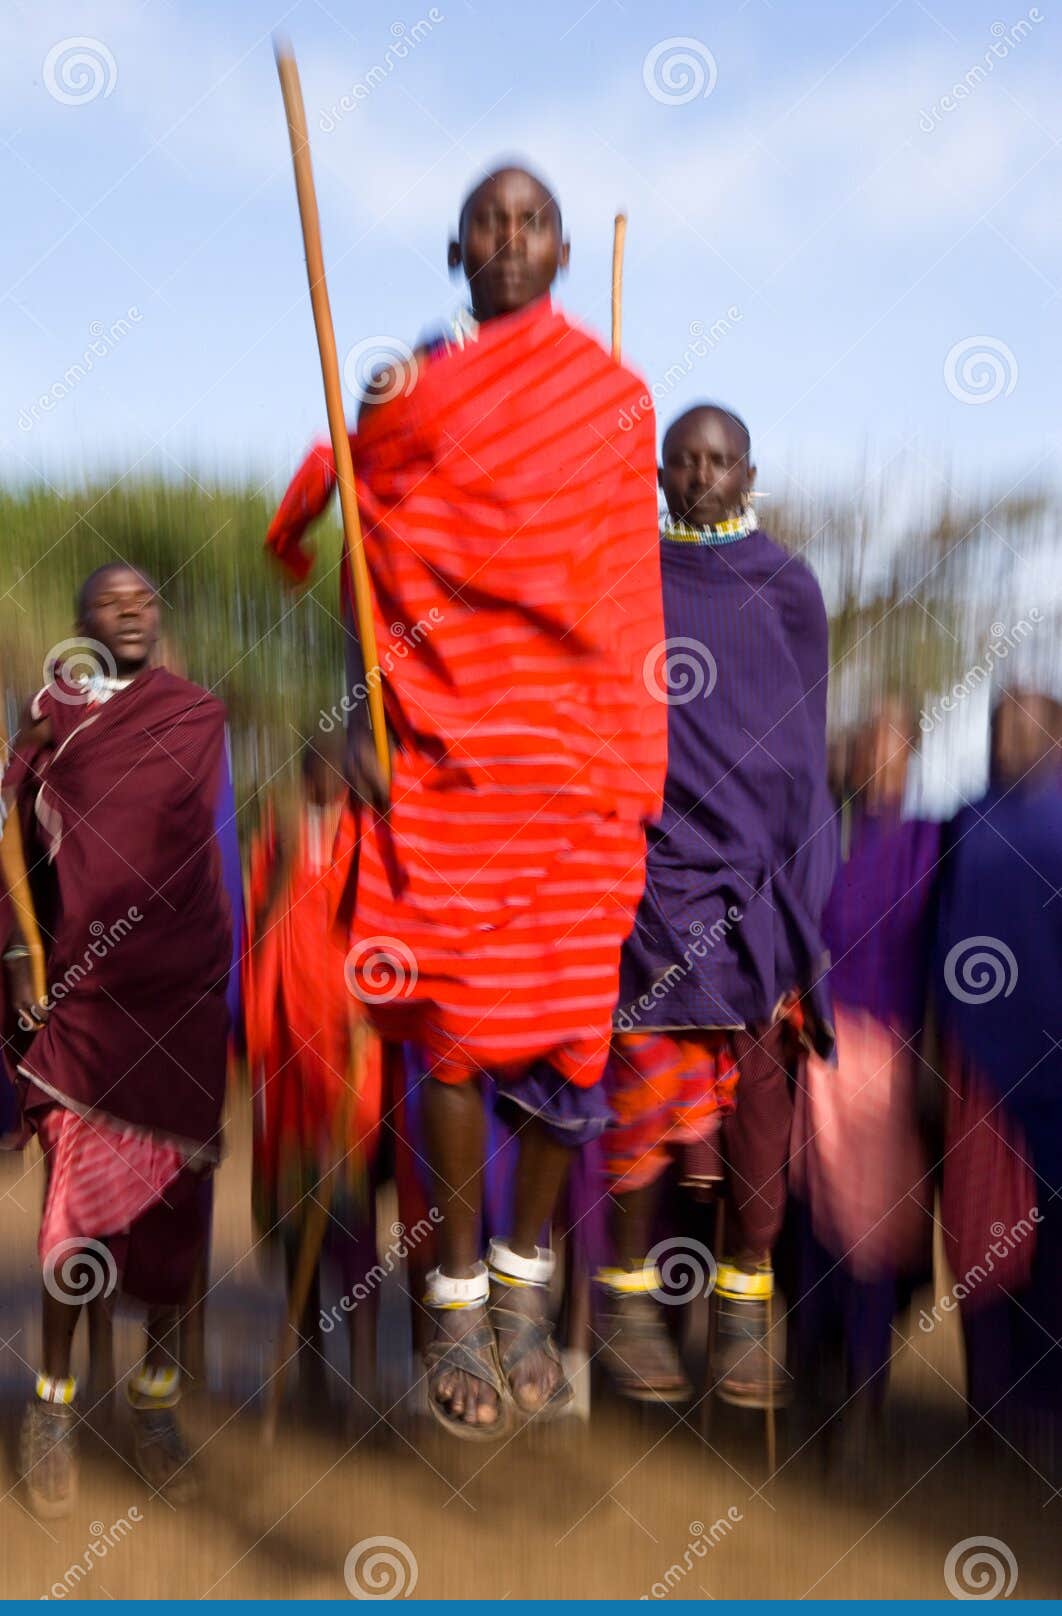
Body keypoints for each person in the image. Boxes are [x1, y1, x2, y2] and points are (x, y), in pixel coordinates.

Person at [265, 164, 666, 1438]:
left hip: (577, 766)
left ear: (556, 252)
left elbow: (621, 590)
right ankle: (447, 1300)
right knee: (445, 1034)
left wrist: (623, 746)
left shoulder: (613, 400)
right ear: (456, 249)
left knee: (567, 1044)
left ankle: (522, 1285)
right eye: (487, 221)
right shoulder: (414, 393)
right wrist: (350, 716)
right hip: (438, 759)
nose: (507, 237)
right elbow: (373, 553)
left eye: (529, 220)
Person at [598, 403, 835, 1408]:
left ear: (750, 471)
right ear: (660, 474)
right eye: (684, 461)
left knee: (758, 1114)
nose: (702, 475)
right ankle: (625, 1300)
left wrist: (794, 870)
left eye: (721, 460)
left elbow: (805, 742)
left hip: (764, 874)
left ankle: (745, 1299)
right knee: (642, 1106)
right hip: (657, 877)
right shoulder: (627, 579)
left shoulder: (789, 587)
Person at [1, 562, 234, 1517]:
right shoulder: (53, 715)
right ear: (81, 622)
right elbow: (9, 827)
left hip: (180, 993)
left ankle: (156, 1405)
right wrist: (21, 950)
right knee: (76, 1218)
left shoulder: (196, 714)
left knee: (174, 1215)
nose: (132, 607)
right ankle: (52, 1408)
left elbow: (202, 848)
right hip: (86, 1000)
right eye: (110, 599)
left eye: (144, 598)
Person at [786, 702, 938, 1469]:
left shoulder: (935, 845)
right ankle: (813, 1388)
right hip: (819, 1055)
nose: (876, 756)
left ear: (912, 755)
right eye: (866, 740)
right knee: (815, 1231)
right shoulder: (821, 836)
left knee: (874, 1243)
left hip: (893, 1068)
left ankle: (862, 1407)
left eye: (892, 740)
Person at [934, 683, 1062, 1473]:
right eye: (995, 725)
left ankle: (1046, 1407)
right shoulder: (968, 820)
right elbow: (932, 937)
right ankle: (991, 1405)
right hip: (976, 1074)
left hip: (1054, 1078)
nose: (1004, 739)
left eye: (1022, 725)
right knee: (981, 1239)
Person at [244, 730, 384, 1406]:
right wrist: (281, 872)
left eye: (338, 767)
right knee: (299, 1222)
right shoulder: (278, 834)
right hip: (289, 1056)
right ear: (303, 774)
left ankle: (363, 1375)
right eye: (317, 766)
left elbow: (382, 930)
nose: (327, 777)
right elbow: (259, 937)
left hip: (349, 1051)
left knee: (352, 1219)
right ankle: (311, 1377)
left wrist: (371, 1008)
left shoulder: (369, 835)